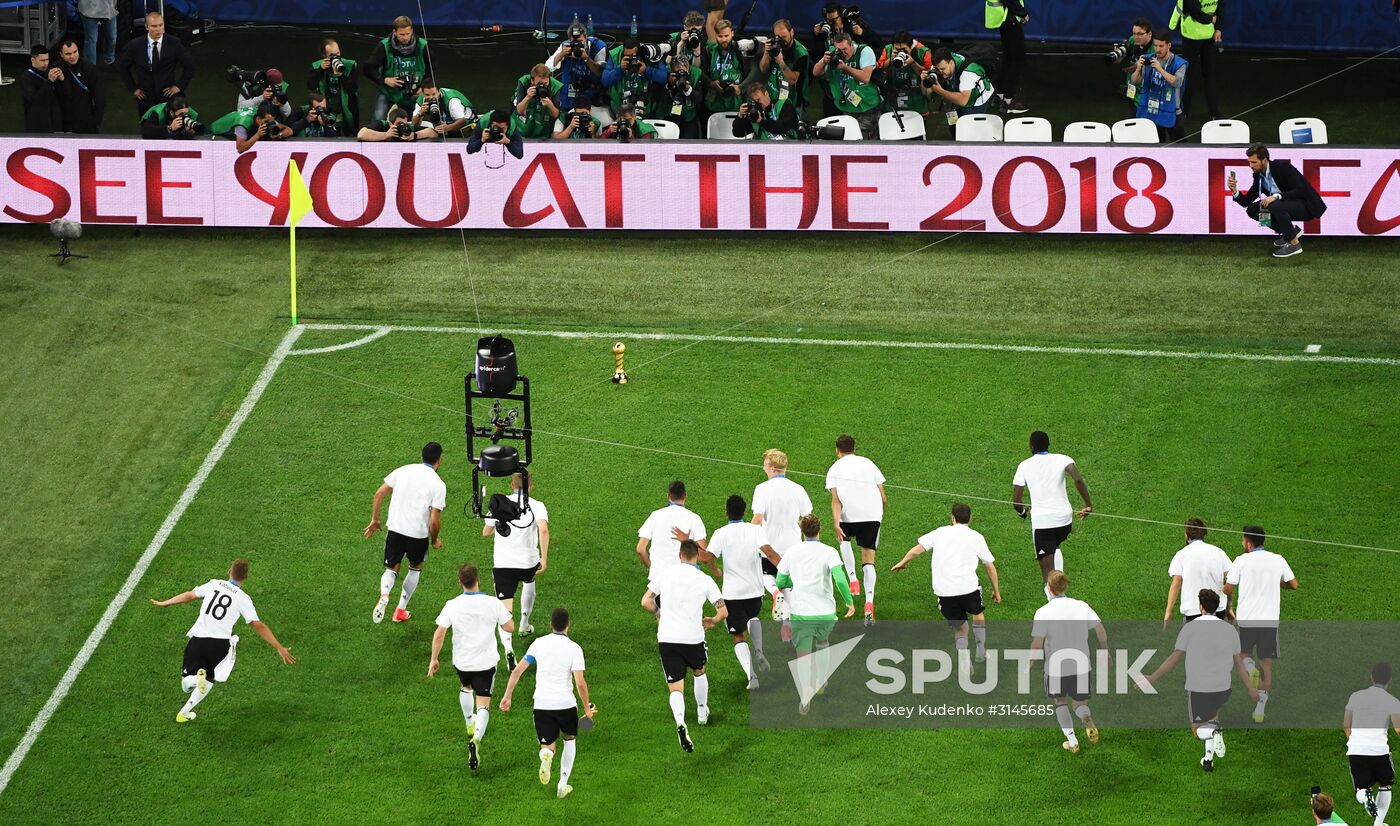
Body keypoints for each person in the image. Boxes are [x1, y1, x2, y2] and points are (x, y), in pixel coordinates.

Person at [149, 557, 295, 724]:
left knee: (186, 684)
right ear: (246, 577)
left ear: (229, 571)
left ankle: (195, 682)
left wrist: (165, 603)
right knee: (209, 679)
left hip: (199, 639)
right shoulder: (243, 599)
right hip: (220, 645)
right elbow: (258, 625)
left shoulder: (214, 584)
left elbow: (189, 595)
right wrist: (279, 647)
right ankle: (184, 712)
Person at [1140, 589, 1258, 772]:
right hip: (1222, 686)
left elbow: (1174, 658)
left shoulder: (1190, 628)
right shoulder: (1229, 630)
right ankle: (1208, 760)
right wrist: (1250, 688)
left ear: (1201, 607)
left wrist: (1152, 678)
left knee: (1197, 730)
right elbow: (1239, 663)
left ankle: (1214, 733)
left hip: (1199, 687)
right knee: (1212, 719)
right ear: (1216, 607)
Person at [500, 607, 595, 799]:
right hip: (566, 705)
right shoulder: (574, 648)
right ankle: (562, 785)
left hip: (542, 705)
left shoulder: (538, 644)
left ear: (551, 624)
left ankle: (548, 755)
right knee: (569, 741)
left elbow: (517, 671)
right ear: (568, 625)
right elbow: (580, 683)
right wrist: (587, 709)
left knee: (547, 745)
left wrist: (507, 696)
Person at [642, 539, 726, 752]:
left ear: (680, 555)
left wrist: (658, 613)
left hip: (668, 638)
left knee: (675, 687)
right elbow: (723, 611)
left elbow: (646, 601)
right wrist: (713, 620)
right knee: (699, 671)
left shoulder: (666, 574)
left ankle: (680, 721)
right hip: (693, 638)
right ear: (696, 556)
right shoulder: (704, 579)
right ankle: (701, 711)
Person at [891, 502, 1001, 664]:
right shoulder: (976, 537)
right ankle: (981, 650)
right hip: (969, 588)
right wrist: (996, 591)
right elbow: (989, 566)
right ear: (970, 518)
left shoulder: (939, 533)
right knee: (977, 613)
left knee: (960, 627)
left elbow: (916, 551)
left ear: (953, 518)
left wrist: (903, 562)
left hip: (944, 591)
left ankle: (964, 657)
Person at [428, 564, 513, 772]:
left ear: (460, 582)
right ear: (478, 580)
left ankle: (469, 723)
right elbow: (510, 627)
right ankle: (476, 739)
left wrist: (434, 659)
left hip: (462, 662)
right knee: (483, 704)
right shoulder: (492, 603)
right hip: (485, 662)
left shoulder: (452, 605)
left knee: (466, 687)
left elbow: (439, 634)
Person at [777, 514, 855, 715]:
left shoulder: (792, 552)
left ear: (802, 530)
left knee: (803, 653)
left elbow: (780, 581)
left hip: (801, 612)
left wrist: (793, 583)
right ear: (820, 530)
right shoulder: (829, 552)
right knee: (822, 642)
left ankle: (805, 691)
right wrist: (849, 602)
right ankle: (821, 679)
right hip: (825, 612)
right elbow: (840, 579)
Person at [364, 442, 447, 624]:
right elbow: (434, 521)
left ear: (421, 456)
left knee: (391, 568)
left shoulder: (404, 470)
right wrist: (434, 540)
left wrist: (375, 520)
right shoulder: (438, 484)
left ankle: (385, 594)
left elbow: (379, 494)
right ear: (438, 460)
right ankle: (400, 610)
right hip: (417, 535)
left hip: (395, 529)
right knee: (415, 567)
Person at [1224, 524, 1298, 723]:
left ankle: (1250, 669)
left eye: (1243, 539)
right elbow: (1293, 584)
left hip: (1246, 621)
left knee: (1242, 655)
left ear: (1249, 543)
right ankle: (1260, 709)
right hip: (1269, 623)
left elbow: (1228, 588)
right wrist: (1276, 582)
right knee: (1266, 666)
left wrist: (1221, 588)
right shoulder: (1278, 559)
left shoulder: (1241, 561)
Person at [1029, 571, 1107, 753]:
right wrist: (1105, 652)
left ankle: (1072, 742)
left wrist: (1029, 663)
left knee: (1060, 701)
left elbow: (1037, 643)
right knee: (1080, 704)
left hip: (1056, 668)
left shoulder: (1043, 612)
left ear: (1049, 588)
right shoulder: (1081, 606)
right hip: (1081, 665)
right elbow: (1101, 630)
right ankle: (1085, 717)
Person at [707, 494, 780, 690]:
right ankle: (759, 650)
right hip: (755, 592)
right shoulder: (755, 530)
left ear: (726, 512)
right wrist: (786, 570)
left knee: (738, 635)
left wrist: (715, 569)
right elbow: (770, 553)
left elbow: (707, 557)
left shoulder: (721, 533)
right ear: (744, 511)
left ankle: (751, 676)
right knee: (752, 617)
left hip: (733, 594)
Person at [1012, 430, 1092, 600]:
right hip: (1065, 522)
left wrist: (1023, 512)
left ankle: (1057, 602)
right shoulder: (1063, 459)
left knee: (1048, 573)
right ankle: (1059, 584)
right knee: (1054, 546)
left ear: (1031, 446)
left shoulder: (1024, 465)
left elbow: (1016, 502)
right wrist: (1088, 505)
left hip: (1043, 525)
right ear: (1048, 445)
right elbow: (1078, 479)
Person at [483, 472, 548, 671]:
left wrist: (496, 524)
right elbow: (543, 530)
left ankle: (508, 648)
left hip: (504, 564)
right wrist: (544, 558)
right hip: (528, 561)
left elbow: (486, 533)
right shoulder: (536, 505)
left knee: (505, 609)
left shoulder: (499, 504)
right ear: (531, 486)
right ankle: (524, 625)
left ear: (512, 485)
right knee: (529, 583)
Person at [825, 434, 885, 625]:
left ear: (837, 450)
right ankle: (869, 604)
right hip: (872, 516)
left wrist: (836, 523)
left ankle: (852, 580)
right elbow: (883, 497)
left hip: (848, 516)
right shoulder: (869, 463)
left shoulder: (834, 468)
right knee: (868, 560)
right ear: (854, 448)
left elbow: (836, 500)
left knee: (844, 540)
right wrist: (877, 516)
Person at [1230, 143, 1328, 259]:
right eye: (1249, 162)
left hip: (1306, 205)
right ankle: (1291, 232)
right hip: (1283, 205)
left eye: (1254, 162)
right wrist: (1234, 190)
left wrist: (1276, 196)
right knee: (1253, 210)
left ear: (1264, 160)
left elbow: (1301, 190)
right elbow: (1246, 202)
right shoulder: (1258, 176)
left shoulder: (1282, 167)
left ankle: (1294, 245)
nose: (1251, 166)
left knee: (1275, 205)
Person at [752, 449, 814, 619]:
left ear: (772, 468)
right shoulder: (798, 489)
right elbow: (808, 519)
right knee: (787, 582)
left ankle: (774, 592)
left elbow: (757, 519)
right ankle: (787, 622)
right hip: (793, 546)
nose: (763, 468)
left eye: (765, 464)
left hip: (769, 546)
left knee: (765, 574)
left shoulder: (761, 489)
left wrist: (747, 537)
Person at [1344, 662, 1399, 826]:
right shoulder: (1392, 701)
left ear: (1372, 678)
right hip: (1379, 751)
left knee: (1361, 790)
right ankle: (1378, 824)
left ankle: (1365, 797)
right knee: (1386, 785)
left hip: (1356, 750)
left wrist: (1354, 742)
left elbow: (1346, 724)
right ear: (1390, 679)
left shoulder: (1355, 696)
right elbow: (1398, 729)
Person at [117, 12, 196, 117]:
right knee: (148, 126)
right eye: (154, 26)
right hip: (145, 97)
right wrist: (134, 89)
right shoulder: (135, 45)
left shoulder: (174, 43)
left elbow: (190, 66)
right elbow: (123, 68)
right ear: (146, 27)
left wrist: (179, 86)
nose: (158, 29)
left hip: (168, 97)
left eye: (160, 25)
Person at [636, 480, 708, 596]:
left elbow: (640, 549)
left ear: (668, 496)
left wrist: (650, 567)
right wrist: (687, 542)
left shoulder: (655, 516)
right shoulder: (694, 519)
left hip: (658, 578)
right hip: (684, 579)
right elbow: (705, 555)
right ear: (685, 495)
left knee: (658, 608)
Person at [1163, 517, 1233, 627]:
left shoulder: (1181, 554)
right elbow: (1230, 580)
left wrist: (1168, 611)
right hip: (1217, 608)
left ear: (1187, 535)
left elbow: (1176, 582)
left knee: (1194, 638)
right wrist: (1229, 607)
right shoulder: (1219, 552)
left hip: (1193, 608)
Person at [812, 31, 882, 139]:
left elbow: (865, 77)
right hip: (848, 108)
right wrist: (824, 61)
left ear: (852, 44)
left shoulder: (864, 51)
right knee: (848, 139)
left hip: (867, 107)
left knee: (863, 141)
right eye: (839, 50)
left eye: (845, 49)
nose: (842, 53)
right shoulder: (833, 53)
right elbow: (815, 72)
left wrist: (845, 67)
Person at [363, 16, 432, 123]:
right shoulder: (385, 46)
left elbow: (432, 69)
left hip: (413, 93)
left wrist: (423, 87)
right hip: (388, 91)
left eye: (408, 33)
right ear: (394, 32)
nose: (405, 37)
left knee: (411, 124)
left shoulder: (422, 45)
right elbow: (368, 68)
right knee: (378, 119)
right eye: (402, 34)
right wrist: (385, 79)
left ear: (412, 30)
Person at [924, 47, 997, 140]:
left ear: (951, 63)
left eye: (943, 69)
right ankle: (955, 137)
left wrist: (940, 91)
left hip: (974, 99)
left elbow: (963, 101)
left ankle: (966, 143)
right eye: (938, 70)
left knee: (968, 131)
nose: (940, 73)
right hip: (955, 94)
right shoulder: (941, 63)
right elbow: (927, 92)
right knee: (954, 125)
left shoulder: (968, 72)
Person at [1130, 29, 1187, 143]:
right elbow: (1134, 81)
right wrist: (1138, 69)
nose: (1158, 49)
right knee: (1155, 144)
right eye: (1155, 46)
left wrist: (1160, 69)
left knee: (1179, 146)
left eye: (1161, 46)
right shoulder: (1148, 59)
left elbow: (1177, 83)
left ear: (1169, 45)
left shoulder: (1179, 63)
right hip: (1152, 110)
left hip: (1172, 111)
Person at [1169, 0, 1221, 122]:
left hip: (1207, 36)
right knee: (1189, 75)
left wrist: (1218, 28)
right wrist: (1211, 20)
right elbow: (1194, 12)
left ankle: (1214, 112)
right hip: (1191, 36)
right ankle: (1184, 111)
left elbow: (1220, 8)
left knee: (1208, 74)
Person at [545, 21, 608, 114]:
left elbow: (600, 72)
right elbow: (548, 68)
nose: (577, 46)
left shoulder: (598, 46)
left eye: (580, 42)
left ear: (586, 37)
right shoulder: (565, 45)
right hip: (570, 92)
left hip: (592, 94)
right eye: (574, 42)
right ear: (569, 39)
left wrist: (586, 59)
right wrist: (562, 54)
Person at [603, 38, 667, 121]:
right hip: (620, 110)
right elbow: (605, 81)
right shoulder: (614, 55)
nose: (630, 59)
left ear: (639, 53)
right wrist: (619, 69)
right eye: (627, 56)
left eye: (633, 56)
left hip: (645, 109)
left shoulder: (650, 53)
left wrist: (646, 70)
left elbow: (664, 78)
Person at [986, 0, 1031, 114]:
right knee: (1017, 60)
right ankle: (1008, 101)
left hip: (1004, 19)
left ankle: (1000, 95)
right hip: (1010, 19)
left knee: (1009, 58)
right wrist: (1022, 13)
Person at [877, 31, 934, 119]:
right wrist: (890, 60)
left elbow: (929, 76)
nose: (900, 52)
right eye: (897, 49)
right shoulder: (888, 49)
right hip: (892, 102)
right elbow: (879, 69)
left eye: (904, 49)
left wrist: (913, 64)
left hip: (916, 104)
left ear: (911, 46)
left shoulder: (923, 52)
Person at [308, 38, 360, 134]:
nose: (336, 57)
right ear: (324, 55)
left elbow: (353, 89)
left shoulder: (349, 65)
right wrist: (320, 70)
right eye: (332, 55)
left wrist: (341, 75)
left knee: (351, 137)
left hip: (347, 110)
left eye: (338, 53)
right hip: (327, 111)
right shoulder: (316, 66)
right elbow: (311, 86)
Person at [758, 19, 809, 115]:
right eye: (778, 37)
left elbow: (793, 80)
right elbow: (763, 69)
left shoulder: (800, 53)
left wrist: (780, 61)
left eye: (784, 37)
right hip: (773, 97)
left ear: (792, 32)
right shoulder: (774, 46)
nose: (781, 40)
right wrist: (766, 53)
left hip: (792, 101)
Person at [55, 38, 106, 134]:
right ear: (61, 54)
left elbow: (100, 97)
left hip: (86, 121)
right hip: (65, 122)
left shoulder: (89, 68)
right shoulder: (56, 69)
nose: (72, 56)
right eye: (68, 54)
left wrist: (96, 120)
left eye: (75, 52)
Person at [210, 100, 292, 155]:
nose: (269, 124)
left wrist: (278, 135)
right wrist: (257, 135)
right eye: (266, 122)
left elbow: (289, 130)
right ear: (258, 119)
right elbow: (240, 149)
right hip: (214, 133)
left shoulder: (267, 117)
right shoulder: (243, 123)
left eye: (271, 122)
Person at [702, 19, 746, 116]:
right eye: (720, 36)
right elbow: (701, 71)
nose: (724, 39)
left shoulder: (740, 50)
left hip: (736, 103)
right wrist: (710, 83)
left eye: (726, 35)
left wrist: (741, 87)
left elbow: (752, 71)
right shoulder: (710, 50)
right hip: (714, 103)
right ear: (715, 35)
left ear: (732, 33)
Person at [1114, 18, 1155, 118]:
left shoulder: (1155, 49)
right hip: (1131, 90)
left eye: (1140, 34)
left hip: (1145, 94)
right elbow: (1120, 59)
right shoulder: (1132, 40)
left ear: (1149, 34)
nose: (1136, 37)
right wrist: (1118, 56)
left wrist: (1135, 67)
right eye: (1134, 33)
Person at [733, 81, 800, 139]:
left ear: (766, 94)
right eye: (755, 102)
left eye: (759, 99)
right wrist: (740, 116)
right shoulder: (755, 114)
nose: (758, 103)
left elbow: (784, 126)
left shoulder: (784, 104)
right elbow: (737, 133)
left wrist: (762, 121)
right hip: (765, 148)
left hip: (788, 146)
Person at [20, 46, 63, 133]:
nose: (46, 63)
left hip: (54, 121)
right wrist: (50, 81)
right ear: (33, 60)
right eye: (42, 60)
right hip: (37, 125)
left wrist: (62, 80)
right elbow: (37, 100)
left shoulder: (50, 72)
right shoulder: (26, 78)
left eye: (47, 59)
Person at [513, 63, 563, 139]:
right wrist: (528, 97)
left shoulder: (555, 86)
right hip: (525, 121)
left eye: (546, 83)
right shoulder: (524, 82)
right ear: (532, 80)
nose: (543, 86)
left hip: (545, 121)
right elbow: (519, 111)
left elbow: (556, 115)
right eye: (540, 83)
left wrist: (550, 105)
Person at [654, 60, 701, 138]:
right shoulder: (665, 73)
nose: (680, 76)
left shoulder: (695, 74)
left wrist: (688, 89)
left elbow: (699, 100)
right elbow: (657, 98)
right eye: (677, 73)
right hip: (668, 115)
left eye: (683, 73)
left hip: (688, 117)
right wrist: (669, 85)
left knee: (689, 142)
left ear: (687, 69)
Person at [138, 95, 204, 139]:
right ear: (171, 112)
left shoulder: (189, 111)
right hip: (155, 125)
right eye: (181, 114)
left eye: (186, 113)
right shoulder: (158, 112)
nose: (184, 116)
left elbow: (201, 129)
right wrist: (169, 128)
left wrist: (192, 131)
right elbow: (145, 131)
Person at [357, 106, 436, 141]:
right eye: (399, 123)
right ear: (391, 124)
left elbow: (433, 132)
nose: (402, 126)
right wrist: (385, 135)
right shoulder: (383, 125)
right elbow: (361, 134)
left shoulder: (408, 128)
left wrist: (415, 136)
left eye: (404, 123)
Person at [78, 0, 118, 66]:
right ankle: (90, 67)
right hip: (88, 8)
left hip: (109, 8)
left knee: (112, 37)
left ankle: (109, 59)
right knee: (91, 40)